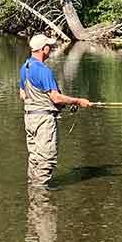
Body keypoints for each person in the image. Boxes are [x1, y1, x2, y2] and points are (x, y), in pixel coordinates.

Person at [19, 34, 93, 188]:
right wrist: (78, 101)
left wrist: (60, 105)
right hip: (43, 121)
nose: (51, 48)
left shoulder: (25, 67)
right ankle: (42, 196)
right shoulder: (43, 70)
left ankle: (33, 190)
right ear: (43, 49)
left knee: (35, 157)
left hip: (30, 119)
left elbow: (23, 94)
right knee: (47, 158)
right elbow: (56, 98)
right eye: (49, 46)